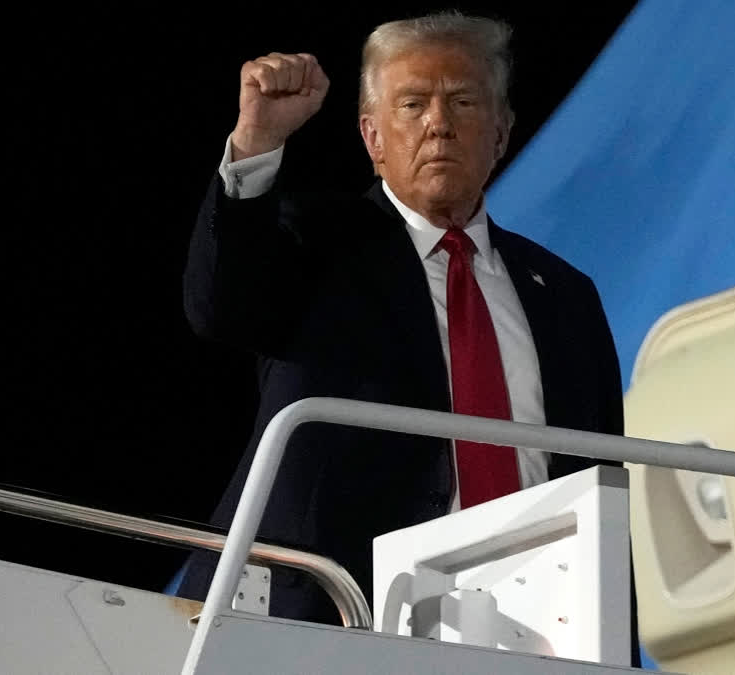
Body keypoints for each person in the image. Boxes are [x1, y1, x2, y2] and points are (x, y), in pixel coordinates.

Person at [177, 10, 627, 646]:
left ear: (501, 132)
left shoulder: (566, 296)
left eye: (463, 101)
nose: (438, 124)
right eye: (413, 104)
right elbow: (218, 305)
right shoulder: (314, 246)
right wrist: (255, 145)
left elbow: (601, 479)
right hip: (345, 616)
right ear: (372, 137)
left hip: (535, 624)